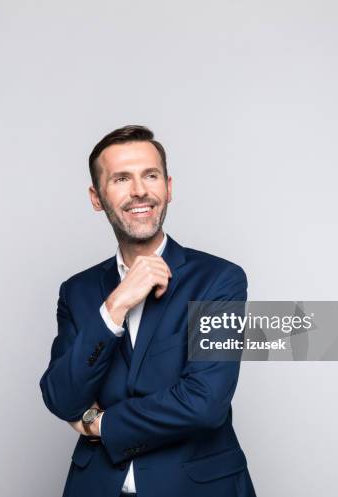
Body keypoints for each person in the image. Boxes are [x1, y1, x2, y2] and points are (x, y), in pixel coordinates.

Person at [40, 125, 256, 497]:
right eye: (121, 178)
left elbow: (205, 403)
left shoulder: (219, 280)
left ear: (168, 188)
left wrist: (100, 424)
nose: (139, 190)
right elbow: (62, 397)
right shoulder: (78, 292)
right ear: (97, 197)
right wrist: (115, 306)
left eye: (150, 175)